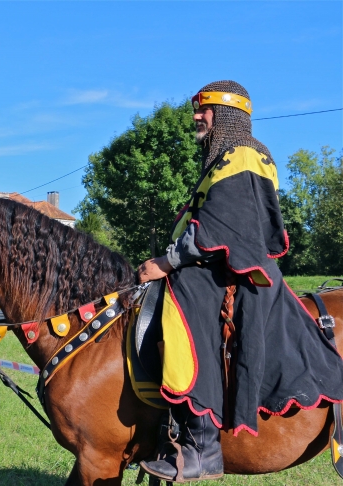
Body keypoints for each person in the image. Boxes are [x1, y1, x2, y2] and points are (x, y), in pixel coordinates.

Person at [138, 80, 343, 482]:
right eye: (197, 109)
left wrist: (168, 261)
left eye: (205, 110)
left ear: (228, 115)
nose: (197, 116)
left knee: (185, 297)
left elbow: (225, 222)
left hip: (241, 270)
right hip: (227, 263)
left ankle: (202, 445)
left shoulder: (245, 153)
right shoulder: (227, 156)